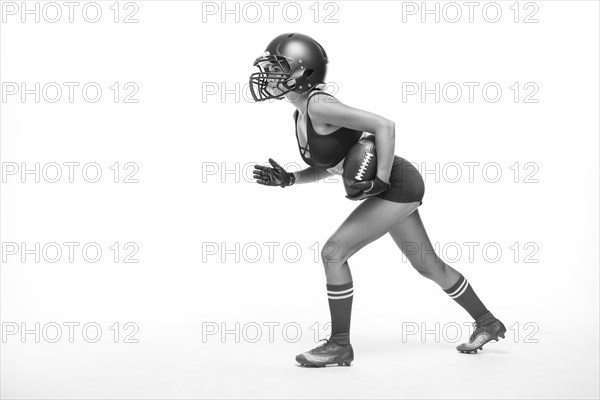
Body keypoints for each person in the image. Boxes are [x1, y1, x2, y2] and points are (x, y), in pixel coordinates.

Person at [250, 33, 506, 367]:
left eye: (276, 67)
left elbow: (384, 126)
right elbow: (331, 166)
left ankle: (340, 344)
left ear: (303, 73)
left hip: (397, 182)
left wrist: (381, 179)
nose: (267, 74)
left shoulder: (318, 104)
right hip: (393, 185)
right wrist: (291, 179)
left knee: (333, 252)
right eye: (268, 66)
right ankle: (488, 322)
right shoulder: (299, 114)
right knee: (428, 265)